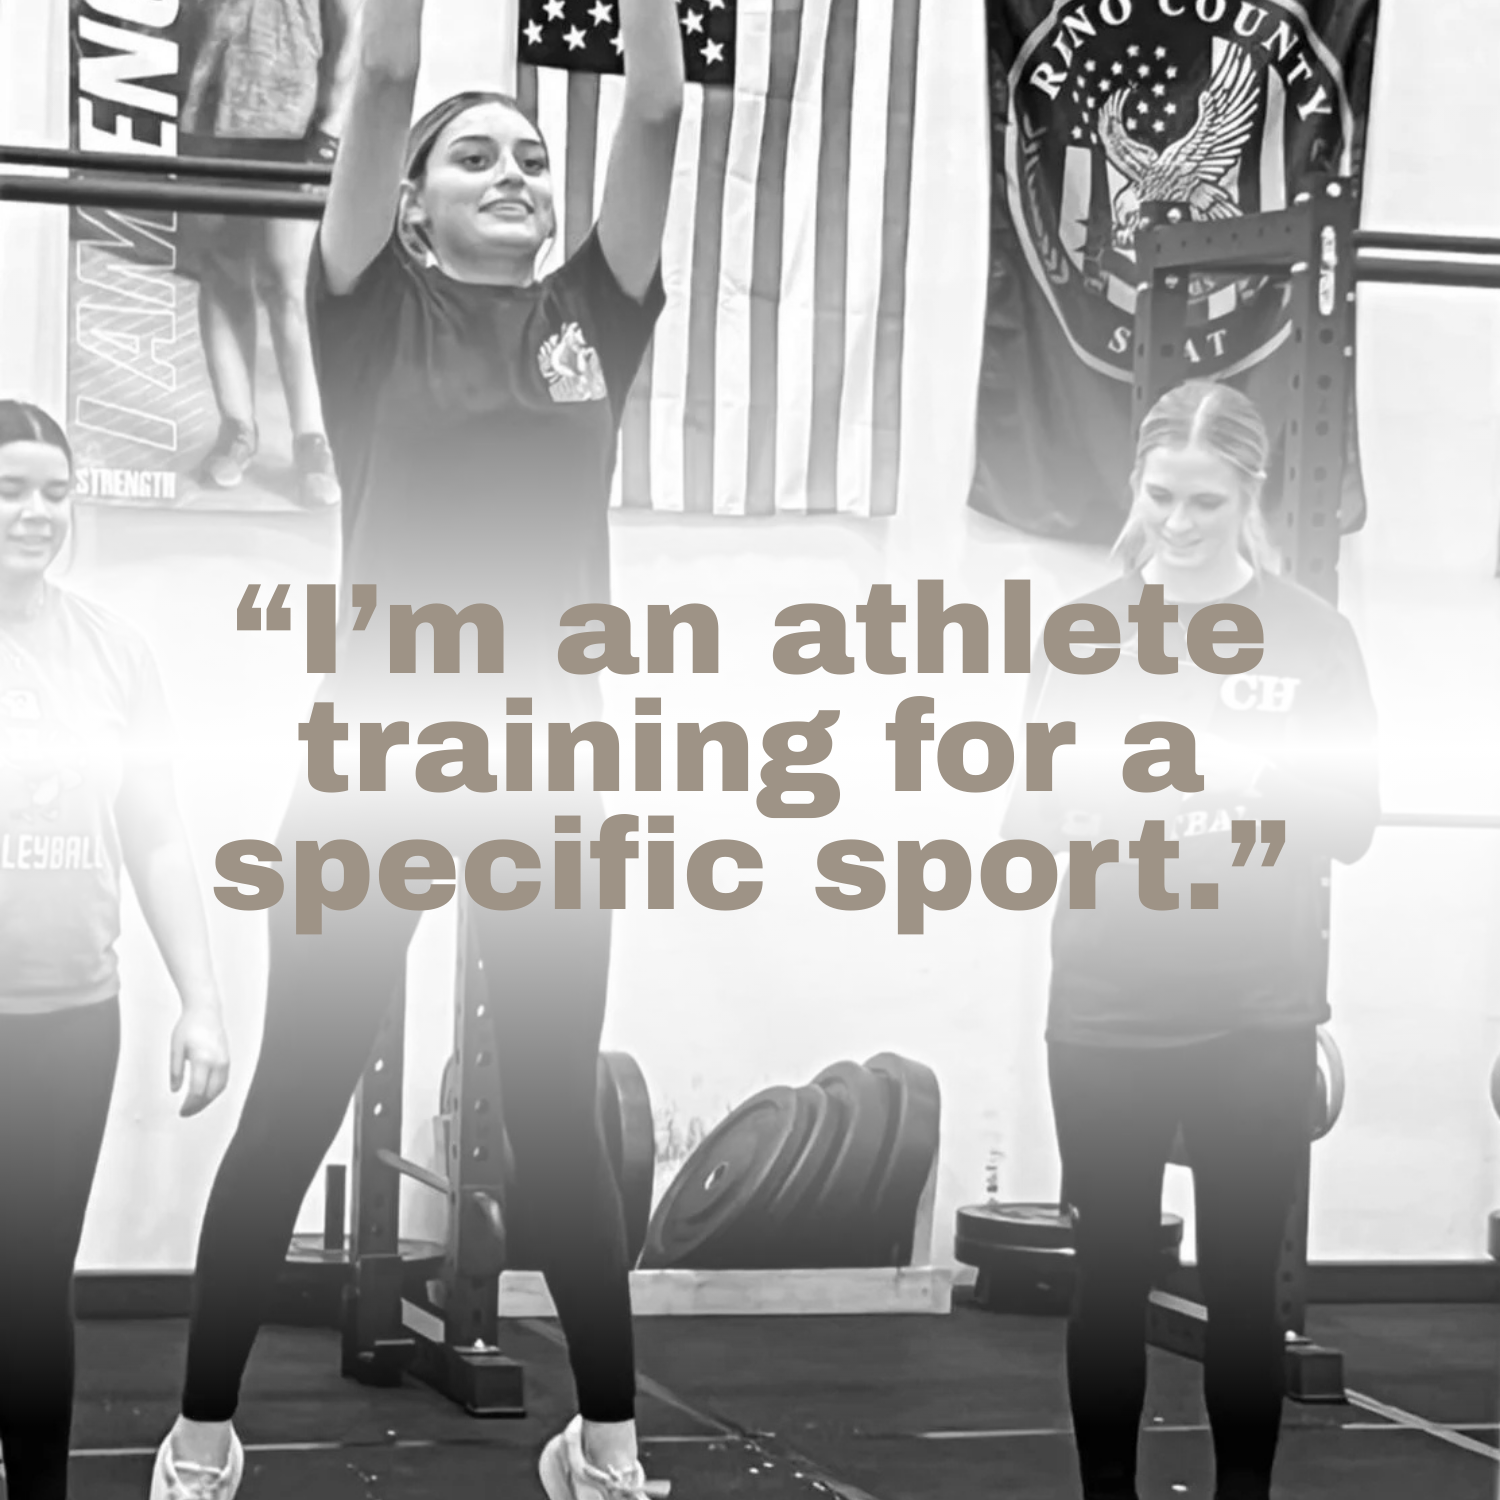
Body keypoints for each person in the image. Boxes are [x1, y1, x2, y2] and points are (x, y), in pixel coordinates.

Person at [148, 0, 683, 1496]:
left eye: (528, 155)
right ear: (414, 205)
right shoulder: (369, 308)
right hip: (377, 768)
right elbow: (382, 69)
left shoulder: (596, 313)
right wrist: (406, 78)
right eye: (474, 158)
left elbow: (651, 115)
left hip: (553, 776)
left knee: (555, 1124)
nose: (513, 170)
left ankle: (609, 1450)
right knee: (300, 1091)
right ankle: (200, 1439)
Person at [1002, 379, 1380, 1500]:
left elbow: (1352, 825)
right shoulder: (1086, 634)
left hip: (1255, 1013)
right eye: (1162, 496)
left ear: (1249, 497)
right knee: (1109, 1276)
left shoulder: (1313, 639)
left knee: (1239, 1287)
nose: (1178, 522)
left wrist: (1234, 795)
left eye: (1205, 502)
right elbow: (1023, 829)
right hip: (1109, 1006)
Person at [0, 399, 232, 1500]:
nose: (34, 510)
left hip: (69, 1018)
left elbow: (155, 833)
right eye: (10, 486)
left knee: (35, 1283)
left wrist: (202, 999)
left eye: (53, 489)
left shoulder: (112, 653)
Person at [177, 0, 361, 507]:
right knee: (221, 272)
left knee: (288, 282)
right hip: (208, 119)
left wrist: (331, 128)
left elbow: (354, 32)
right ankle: (237, 428)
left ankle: (312, 442)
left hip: (297, 125)